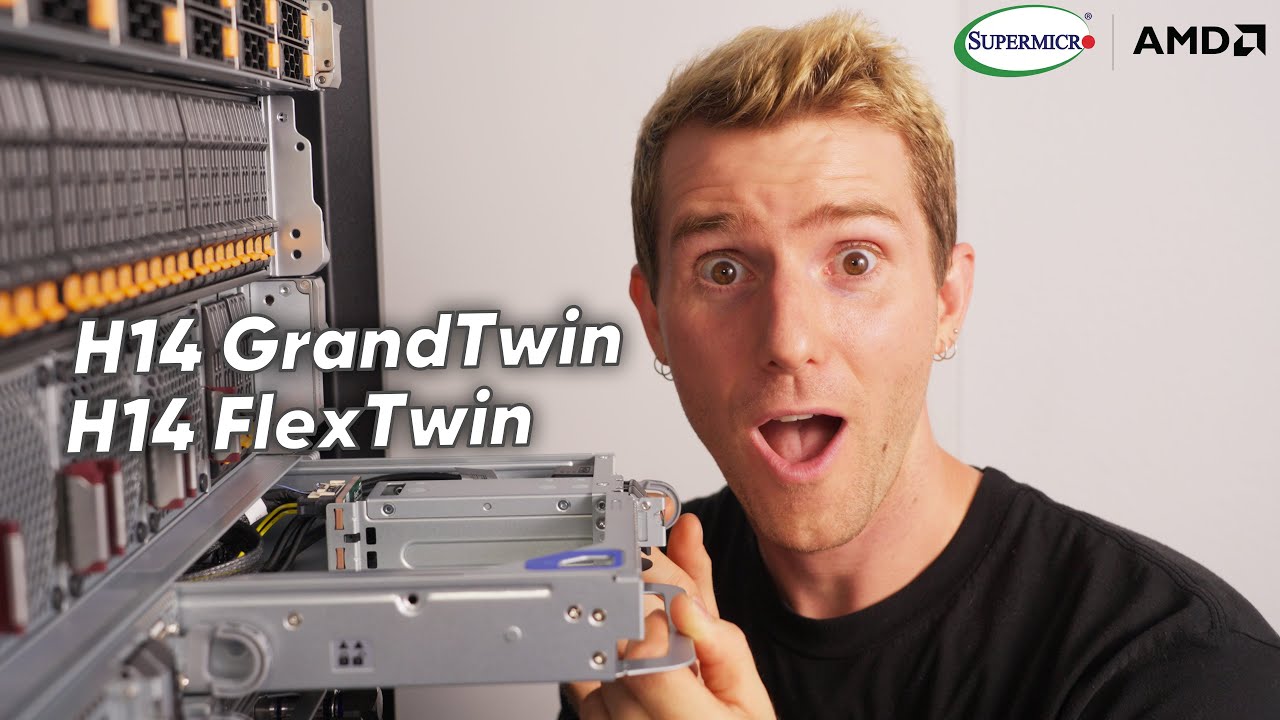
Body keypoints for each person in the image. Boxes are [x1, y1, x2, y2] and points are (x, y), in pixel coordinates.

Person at [562, 12, 1280, 719]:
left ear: (947, 299)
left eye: (855, 261)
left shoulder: (1186, 669)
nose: (788, 338)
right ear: (654, 319)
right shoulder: (645, 613)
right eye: (722, 269)